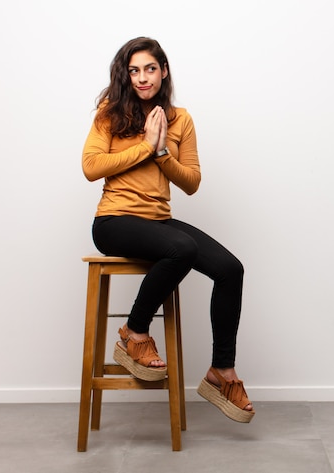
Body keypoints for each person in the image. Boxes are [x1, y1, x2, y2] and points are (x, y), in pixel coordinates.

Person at [82, 37, 254, 423]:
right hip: (114, 221)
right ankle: (134, 333)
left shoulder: (180, 119)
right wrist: (145, 145)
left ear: (163, 72)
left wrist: (162, 153)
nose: (143, 78)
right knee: (182, 249)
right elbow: (91, 167)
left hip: (157, 220)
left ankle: (221, 372)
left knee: (231, 269)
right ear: (125, 75)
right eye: (134, 70)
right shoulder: (109, 115)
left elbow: (191, 181)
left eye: (150, 69)